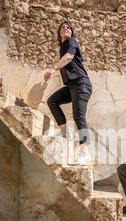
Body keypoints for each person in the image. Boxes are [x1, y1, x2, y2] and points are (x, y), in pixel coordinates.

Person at [44, 21, 93, 165]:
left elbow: (69, 57)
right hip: (72, 85)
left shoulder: (72, 42)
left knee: (79, 116)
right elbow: (65, 59)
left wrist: (53, 69)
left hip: (81, 83)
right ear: (59, 33)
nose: (65, 28)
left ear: (71, 32)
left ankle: (85, 152)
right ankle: (65, 131)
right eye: (62, 27)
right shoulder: (63, 48)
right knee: (52, 101)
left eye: (68, 27)